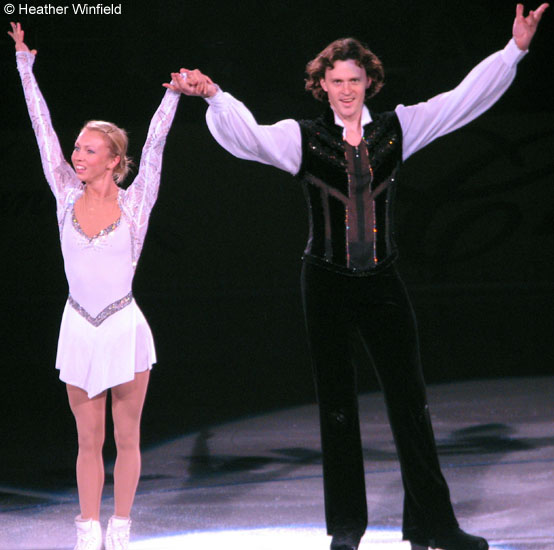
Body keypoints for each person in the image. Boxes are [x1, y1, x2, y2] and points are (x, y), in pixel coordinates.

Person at [165, 4, 548, 550]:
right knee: (338, 406)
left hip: (382, 282)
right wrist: (215, 96)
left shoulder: (399, 128)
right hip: (325, 282)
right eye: (337, 80)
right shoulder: (300, 138)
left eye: (355, 80)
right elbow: (248, 137)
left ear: (370, 82)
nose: (346, 90)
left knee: (411, 404)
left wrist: (514, 50)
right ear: (321, 85)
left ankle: (433, 526)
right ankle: (346, 530)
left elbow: (462, 100)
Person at [8, 22, 181, 550]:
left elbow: (156, 144)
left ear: (113, 160)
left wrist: (173, 96)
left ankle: (121, 527)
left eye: (88, 150)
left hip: (124, 326)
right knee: (89, 440)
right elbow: (41, 129)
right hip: (80, 325)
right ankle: (88, 529)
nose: (76, 155)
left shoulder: (136, 203)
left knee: (127, 438)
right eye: (77, 148)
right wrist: (24, 66)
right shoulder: (64, 194)